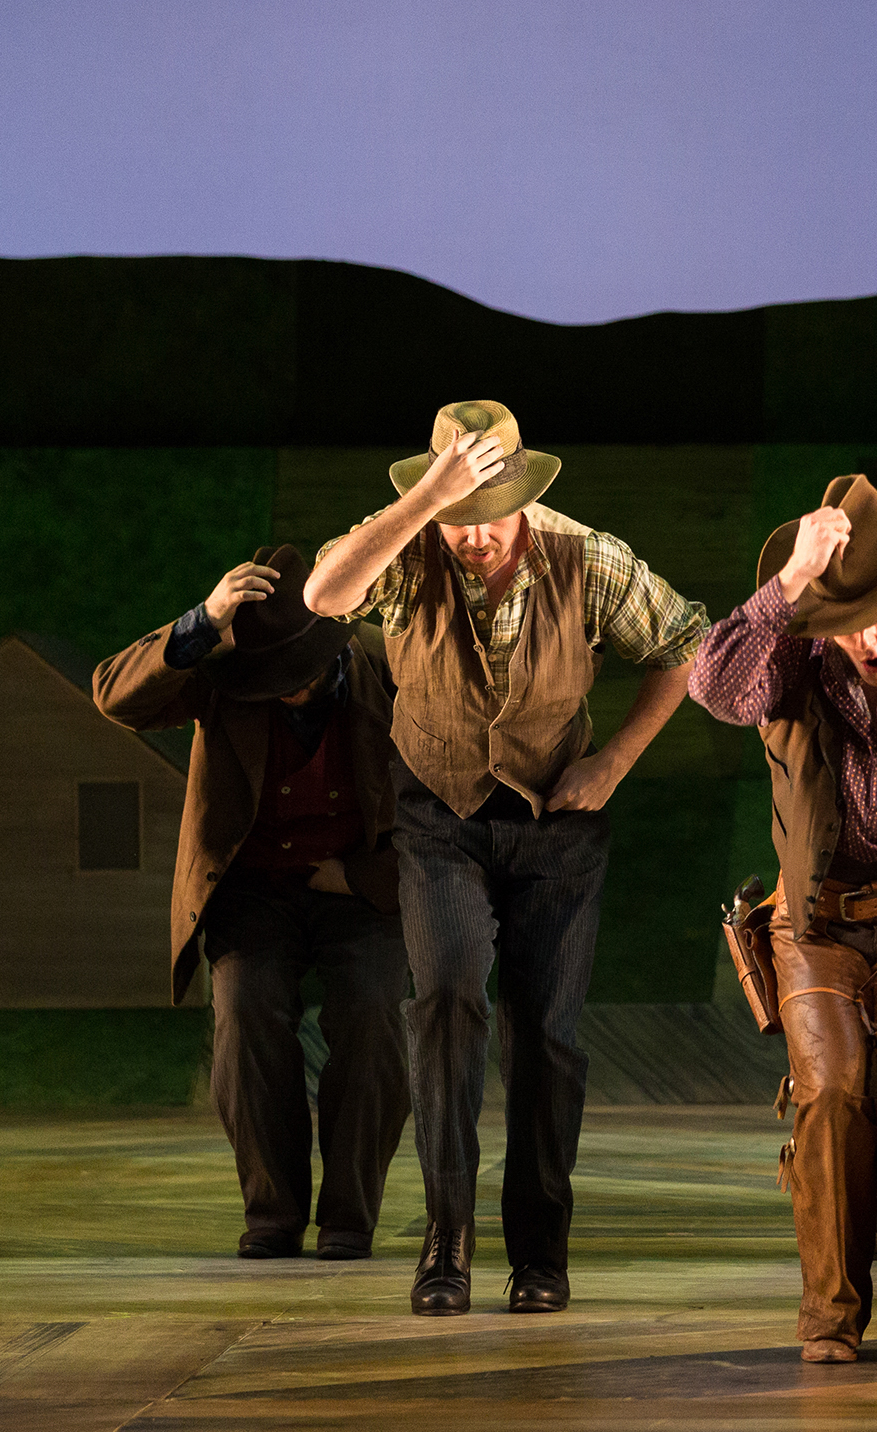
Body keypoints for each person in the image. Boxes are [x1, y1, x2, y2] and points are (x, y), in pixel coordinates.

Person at [304, 400, 709, 1317]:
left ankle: (540, 1248)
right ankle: (446, 1238)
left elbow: (686, 644)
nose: (475, 539)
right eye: (460, 519)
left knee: (547, 1031)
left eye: (490, 517)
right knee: (445, 995)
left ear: (523, 495)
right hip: (437, 811)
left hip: (555, 816)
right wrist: (426, 503)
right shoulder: (411, 545)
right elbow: (325, 597)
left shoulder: (587, 556)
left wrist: (614, 761)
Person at [689, 475, 877, 1364]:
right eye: (843, 618)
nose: (867, 637)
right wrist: (788, 589)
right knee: (831, 1090)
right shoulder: (797, 660)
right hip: (815, 918)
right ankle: (831, 1315)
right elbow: (712, 685)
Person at [93, 545, 409, 1262]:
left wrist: (363, 875)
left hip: (360, 885)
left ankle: (349, 1216)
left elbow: (453, 784)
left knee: (371, 1012)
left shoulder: (386, 665)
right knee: (244, 1010)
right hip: (254, 889)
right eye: (269, 680)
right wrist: (202, 622)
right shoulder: (227, 673)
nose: (282, 692)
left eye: (295, 680)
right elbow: (115, 695)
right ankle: (273, 1212)